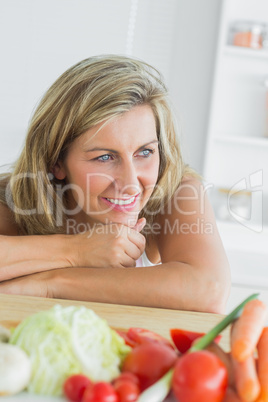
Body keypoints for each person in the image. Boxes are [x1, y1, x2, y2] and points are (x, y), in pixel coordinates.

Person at [0, 55, 230, 313]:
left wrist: (51, 284)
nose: (131, 183)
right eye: (105, 157)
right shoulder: (16, 198)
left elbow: (208, 291)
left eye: (144, 152)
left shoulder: (174, 190)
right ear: (56, 162)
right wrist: (77, 251)